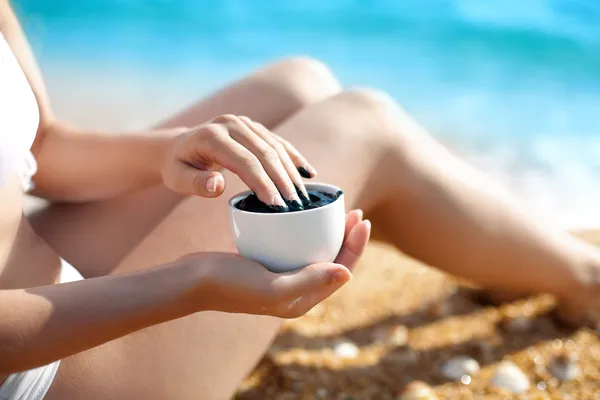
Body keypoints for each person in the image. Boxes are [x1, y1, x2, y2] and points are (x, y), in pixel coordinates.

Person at [1, 2, 599, 399]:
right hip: (48, 370)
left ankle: (508, 259)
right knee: (365, 125)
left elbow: (42, 149)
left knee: (298, 84)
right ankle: (584, 278)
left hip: (41, 264)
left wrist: (169, 150)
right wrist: (190, 285)